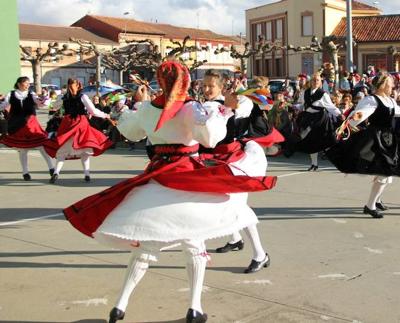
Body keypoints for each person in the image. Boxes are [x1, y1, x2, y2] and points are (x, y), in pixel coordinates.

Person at [63, 61, 277, 323]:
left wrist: (129, 105)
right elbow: (210, 138)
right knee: (195, 243)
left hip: (156, 178)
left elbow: (129, 131)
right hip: (186, 179)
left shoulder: (148, 109)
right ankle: (194, 308)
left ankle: (120, 305)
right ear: (185, 81)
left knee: (145, 247)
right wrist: (224, 110)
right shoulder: (190, 108)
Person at [200, 72, 283, 274]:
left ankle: (260, 254)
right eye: (204, 85)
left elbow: (258, 106)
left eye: (211, 85)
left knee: (239, 207)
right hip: (214, 161)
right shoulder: (203, 106)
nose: (207, 89)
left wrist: (233, 103)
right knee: (217, 202)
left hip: (238, 161)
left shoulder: (237, 103)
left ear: (221, 87)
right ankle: (235, 239)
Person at [326, 73, 400, 218]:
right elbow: (358, 115)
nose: (393, 86)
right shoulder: (371, 100)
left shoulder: (389, 100)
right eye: (390, 84)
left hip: (388, 139)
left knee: (388, 173)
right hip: (376, 139)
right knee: (385, 173)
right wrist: (344, 127)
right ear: (383, 85)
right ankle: (370, 206)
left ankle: (376, 201)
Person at [44, 78, 112, 183]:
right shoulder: (82, 96)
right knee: (84, 150)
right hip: (79, 123)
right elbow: (93, 111)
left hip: (68, 123)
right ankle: (86, 174)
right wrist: (105, 115)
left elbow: (54, 106)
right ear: (78, 85)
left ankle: (57, 172)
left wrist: (56, 103)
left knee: (63, 150)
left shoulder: (63, 97)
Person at [0, 76, 55, 180]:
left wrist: (44, 98)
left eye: (29, 83)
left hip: (31, 124)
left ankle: (51, 168)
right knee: (22, 149)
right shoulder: (11, 94)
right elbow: (3, 105)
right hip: (17, 125)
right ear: (19, 83)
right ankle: (25, 172)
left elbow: (41, 103)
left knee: (41, 147)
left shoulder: (31, 94)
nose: (28, 85)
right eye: (26, 83)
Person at [291, 72, 341, 171]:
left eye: (317, 80)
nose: (315, 82)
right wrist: (293, 106)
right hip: (308, 118)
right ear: (310, 82)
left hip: (320, 118)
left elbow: (330, 107)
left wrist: (340, 114)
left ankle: (337, 162)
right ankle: (314, 164)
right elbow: (301, 104)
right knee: (310, 141)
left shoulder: (323, 94)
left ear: (320, 82)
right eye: (313, 80)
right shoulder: (305, 92)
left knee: (326, 141)